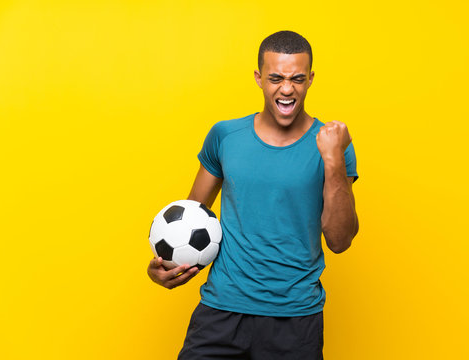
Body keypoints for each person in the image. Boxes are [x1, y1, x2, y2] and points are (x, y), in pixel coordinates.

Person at [147, 30, 359, 359]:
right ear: (259, 78)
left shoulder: (333, 142)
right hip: (221, 310)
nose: (287, 89)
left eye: (297, 79)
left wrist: (333, 159)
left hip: (296, 317)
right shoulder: (225, 135)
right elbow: (190, 216)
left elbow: (340, 240)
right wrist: (167, 265)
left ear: (311, 79)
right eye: (276, 78)